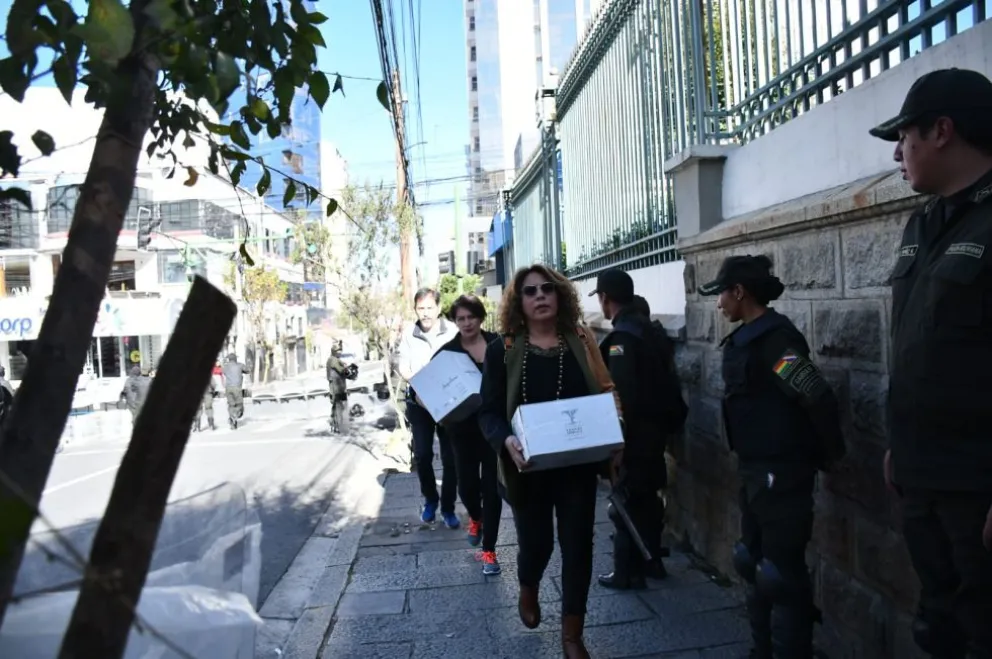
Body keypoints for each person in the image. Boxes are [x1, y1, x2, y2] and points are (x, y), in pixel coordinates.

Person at [869, 68, 992, 659]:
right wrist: (901, 443)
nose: (898, 151)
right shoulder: (925, 224)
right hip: (922, 475)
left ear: (942, 130)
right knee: (936, 629)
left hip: (977, 489)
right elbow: (920, 346)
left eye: (905, 136)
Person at [699, 254, 845, 659]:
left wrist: (830, 454)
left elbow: (814, 395)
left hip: (781, 473)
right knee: (753, 562)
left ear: (739, 292)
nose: (718, 304)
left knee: (780, 574)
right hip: (755, 470)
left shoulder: (776, 341)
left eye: (722, 295)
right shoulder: (749, 337)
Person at [478, 264, 620, 659]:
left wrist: (616, 432)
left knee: (578, 546)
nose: (539, 296)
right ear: (518, 302)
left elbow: (605, 390)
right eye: (529, 291)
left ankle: (572, 634)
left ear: (559, 295)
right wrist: (505, 440)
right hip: (529, 469)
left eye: (547, 289)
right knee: (536, 544)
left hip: (576, 465)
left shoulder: (580, 338)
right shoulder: (501, 350)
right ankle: (529, 584)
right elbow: (488, 413)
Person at [591, 269, 686, 589]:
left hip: (635, 435)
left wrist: (617, 445)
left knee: (627, 503)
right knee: (646, 499)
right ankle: (652, 562)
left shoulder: (623, 339)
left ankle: (627, 571)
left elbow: (623, 397)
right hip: (656, 431)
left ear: (605, 299)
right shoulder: (649, 330)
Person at [433, 294, 502, 575]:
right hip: (461, 431)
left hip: (494, 428)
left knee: (493, 489)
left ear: (480, 317)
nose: (466, 323)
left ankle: (489, 551)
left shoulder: (498, 343)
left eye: (471, 317)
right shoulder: (446, 352)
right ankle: (476, 516)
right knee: (467, 488)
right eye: (460, 318)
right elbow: (431, 390)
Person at [397, 287, 459, 527]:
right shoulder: (408, 335)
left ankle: (448, 507)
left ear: (439, 308)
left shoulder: (452, 332)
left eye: (429, 308)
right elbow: (402, 366)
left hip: (448, 404)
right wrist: (419, 383)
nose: (425, 313)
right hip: (419, 402)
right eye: (420, 308)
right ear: (415, 309)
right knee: (422, 455)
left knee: (450, 458)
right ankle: (430, 500)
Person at [222, 353, 249, 429]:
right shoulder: (240, 365)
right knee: (239, 404)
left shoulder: (226, 366)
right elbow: (247, 370)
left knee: (231, 404)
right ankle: (235, 416)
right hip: (237, 387)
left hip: (228, 388)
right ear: (235, 359)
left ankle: (232, 418)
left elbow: (224, 372)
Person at [326, 341, 349, 434]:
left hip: (339, 385)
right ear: (334, 352)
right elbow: (341, 370)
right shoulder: (333, 360)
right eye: (338, 351)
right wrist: (346, 369)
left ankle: (335, 424)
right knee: (337, 406)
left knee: (338, 406)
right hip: (336, 386)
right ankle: (336, 424)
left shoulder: (334, 359)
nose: (340, 352)